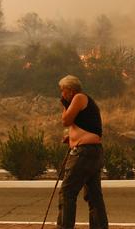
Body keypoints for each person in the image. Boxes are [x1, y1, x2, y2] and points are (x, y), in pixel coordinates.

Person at [57, 75, 108, 229]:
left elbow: (66, 121)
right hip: (92, 152)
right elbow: (83, 125)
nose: (62, 94)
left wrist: (64, 104)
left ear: (71, 90)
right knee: (93, 195)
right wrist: (71, 137)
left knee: (67, 192)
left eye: (63, 91)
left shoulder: (79, 98)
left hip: (84, 153)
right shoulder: (84, 101)